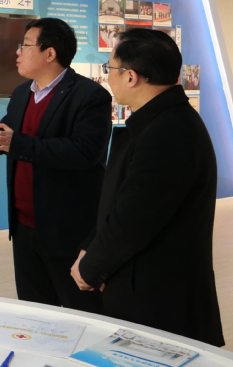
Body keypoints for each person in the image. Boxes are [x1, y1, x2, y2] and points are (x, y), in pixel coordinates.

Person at [71, 29, 224, 345]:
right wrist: (90, 246)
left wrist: (91, 268)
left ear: (131, 77)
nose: (107, 77)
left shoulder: (166, 133)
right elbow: (120, 203)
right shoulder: (161, 122)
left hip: (158, 297)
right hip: (146, 286)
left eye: (110, 68)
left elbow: (133, 220)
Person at [0, 18, 111, 312]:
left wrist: (17, 144)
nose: (17, 52)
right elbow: (7, 137)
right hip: (24, 227)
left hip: (67, 229)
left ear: (50, 53)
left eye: (25, 45)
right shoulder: (23, 92)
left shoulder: (90, 95)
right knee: (35, 312)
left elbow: (84, 152)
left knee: (81, 313)